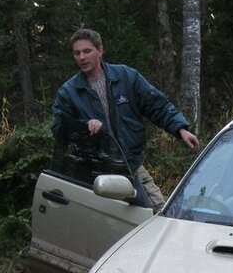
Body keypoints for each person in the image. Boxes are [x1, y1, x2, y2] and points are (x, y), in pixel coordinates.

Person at [52, 28, 200, 212]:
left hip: (132, 166)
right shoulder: (69, 92)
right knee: (114, 222)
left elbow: (157, 105)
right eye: (77, 53)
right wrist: (84, 126)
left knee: (161, 214)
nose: (82, 57)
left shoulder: (126, 77)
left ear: (100, 50)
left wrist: (180, 129)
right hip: (96, 175)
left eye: (87, 51)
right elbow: (59, 130)